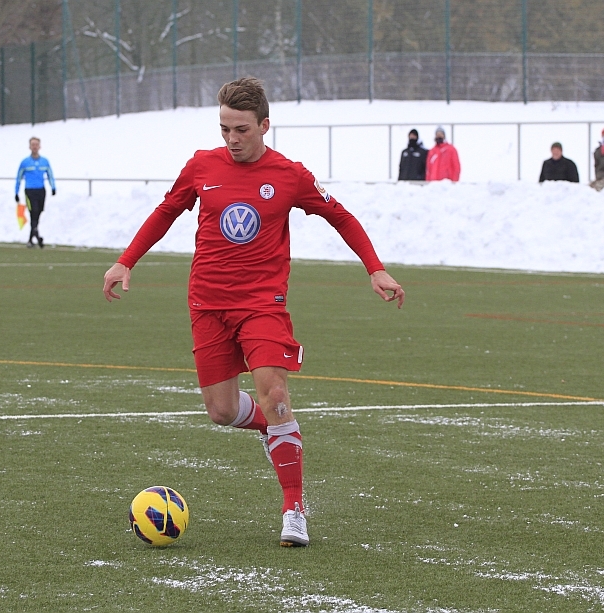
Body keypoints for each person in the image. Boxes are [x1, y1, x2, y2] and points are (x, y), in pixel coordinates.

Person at [102, 77, 404, 547]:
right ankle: (271, 427)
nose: (232, 138)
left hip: (263, 303)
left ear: (264, 125)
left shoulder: (290, 175)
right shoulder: (201, 166)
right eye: (224, 129)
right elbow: (165, 211)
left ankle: (293, 509)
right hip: (207, 303)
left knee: (275, 394)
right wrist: (126, 261)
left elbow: (340, 216)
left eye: (241, 129)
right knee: (221, 412)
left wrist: (375, 268)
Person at [14, 136, 56, 248]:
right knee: (33, 212)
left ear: (39, 146)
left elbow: (50, 175)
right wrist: (16, 192)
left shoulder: (44, 162)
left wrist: (53, 187)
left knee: (38, 214)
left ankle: (31, 239)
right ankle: (37, 237)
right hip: (29, 191)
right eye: (33, 144)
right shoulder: (25, 162)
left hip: (41, 191)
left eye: (36, 144)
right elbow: (18, 178)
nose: (35, 147)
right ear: (29, 146)